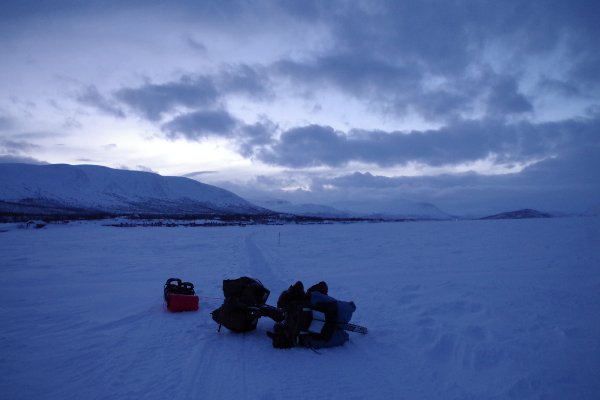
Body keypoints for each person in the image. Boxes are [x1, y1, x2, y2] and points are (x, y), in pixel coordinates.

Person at [268, 281, 356, 349]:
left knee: (343, 336)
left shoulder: (290, 330)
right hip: (338, 313)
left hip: (324, 333)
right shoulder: (311, 296)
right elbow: (321, 285)